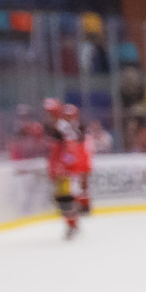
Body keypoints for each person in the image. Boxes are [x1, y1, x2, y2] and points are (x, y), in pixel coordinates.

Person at [44, 99, 92, 238]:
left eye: (51, 112)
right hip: (59, 165)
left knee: (65, 197)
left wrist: (66, 164)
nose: (48, 114)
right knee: (62, 197)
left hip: (63, 167)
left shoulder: (61, 126)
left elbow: (70, 146)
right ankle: (73, 222)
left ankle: (72, 224)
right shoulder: (57, 125)